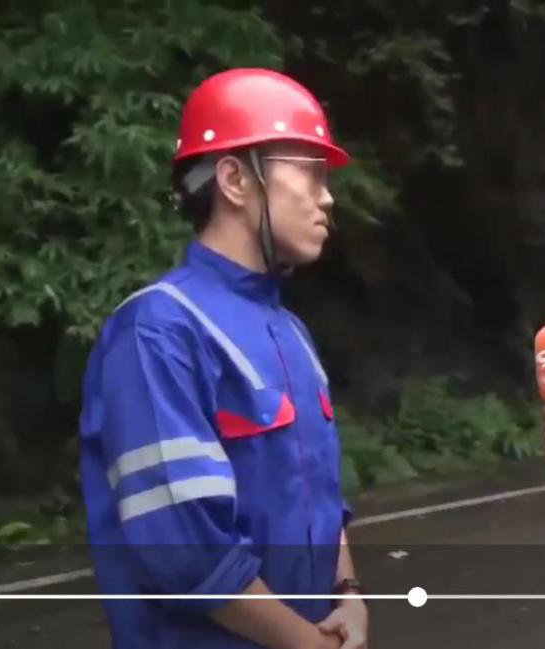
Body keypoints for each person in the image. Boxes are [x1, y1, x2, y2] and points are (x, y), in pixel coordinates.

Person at [78, 68, 367, 649]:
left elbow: (322, 500)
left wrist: (349, 595)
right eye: (310, 173)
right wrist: (307, 643)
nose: (327, 197)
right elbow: (187, 552)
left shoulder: (291, 333)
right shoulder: (159, 331)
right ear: (235, 179)